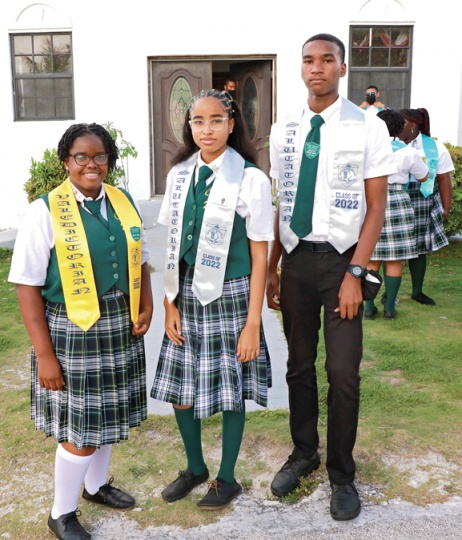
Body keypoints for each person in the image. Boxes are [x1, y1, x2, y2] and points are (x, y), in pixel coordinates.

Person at [266, 34, 395, 521]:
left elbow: (377, 206)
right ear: (301, 69)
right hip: (297, 260)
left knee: (342, 373)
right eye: (308, 60)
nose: (316, 68)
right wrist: (278, 263)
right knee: (298, 366)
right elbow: (284, 200)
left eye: (326, 60)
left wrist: (355, 274)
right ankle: (305, 453)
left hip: (344, 262)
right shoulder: (286, 129)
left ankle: (342, 473)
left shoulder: (368, 126)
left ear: (343, 68)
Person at [8, 123, 153, 540]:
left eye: (100, 156)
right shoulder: (44, 211)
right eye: (81, 157)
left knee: (109, 413)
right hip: (72, 328)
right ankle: (61, 513)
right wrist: (46, 355)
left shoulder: (122, 201)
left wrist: (144, 303)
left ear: (109, 160)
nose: (92, 164)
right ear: (66, 161)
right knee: (83, 426)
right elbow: (27, 287)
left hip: (117, 322)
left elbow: (137, 256)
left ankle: (95, 487)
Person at [151, 89, 273, 510]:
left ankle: (226, 477)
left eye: (216, 120)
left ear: (232, 124)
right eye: (198, 121)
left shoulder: (251, 178)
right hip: (186, 294)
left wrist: (253, 322)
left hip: (232, 295)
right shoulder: (180, 173)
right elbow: (170, 241)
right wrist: (169, 303)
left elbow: (261, 254)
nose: (206, 129)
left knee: (230, 389)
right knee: (182, 390)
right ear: (189, 126)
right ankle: (196, 467)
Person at [364, 109, 429, 320]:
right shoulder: (408, 152)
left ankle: (368, 307)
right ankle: (390, 308)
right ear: (400, 128)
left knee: (371, 257)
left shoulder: (367, 150)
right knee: (394, 261)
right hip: (398, 201)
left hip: (371, 200)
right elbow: (423, 176)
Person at [396, 107, 454, 306]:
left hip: (422, 199)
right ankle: (390, 294)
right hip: (395, 198)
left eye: (400, 122)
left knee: (420, 247)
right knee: (392, 250)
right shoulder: (388, 142)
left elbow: (444, 178)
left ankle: (417, 291)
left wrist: (445, 208)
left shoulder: (434, 147)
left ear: (412, 125)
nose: (396, 126)